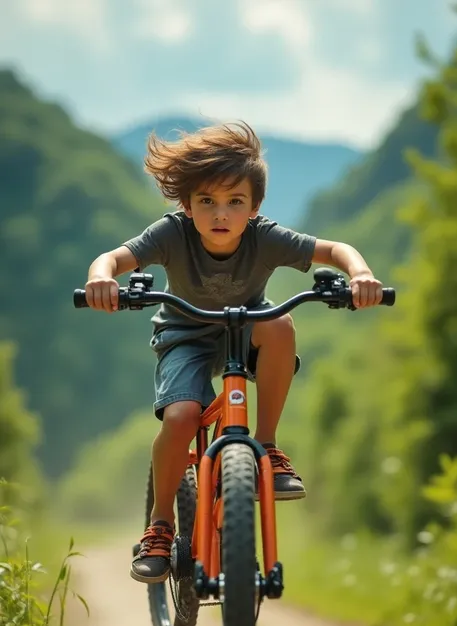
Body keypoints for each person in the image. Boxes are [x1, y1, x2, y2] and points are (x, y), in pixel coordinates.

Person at [84, 122, 383, 584]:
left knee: (280, 323)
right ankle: (160, 525)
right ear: (187, 205)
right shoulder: (171, 234)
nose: (220, 214)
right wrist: (102, 278)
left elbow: (335, 249)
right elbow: (114, 259)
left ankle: (266, 445)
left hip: (246, 328)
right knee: (182, 417)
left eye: (234, 202)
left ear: (254, 207)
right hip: (184, 333)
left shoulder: (265, 237)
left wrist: (360, 273)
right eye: (206, 201)